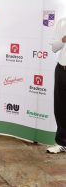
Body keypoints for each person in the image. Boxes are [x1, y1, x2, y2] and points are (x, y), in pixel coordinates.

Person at [47, 17, 66, 154]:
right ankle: (62, 142)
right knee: (60, 108)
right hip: (62, 69)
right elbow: (54, 48)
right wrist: (63, 39)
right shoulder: (62, 21)